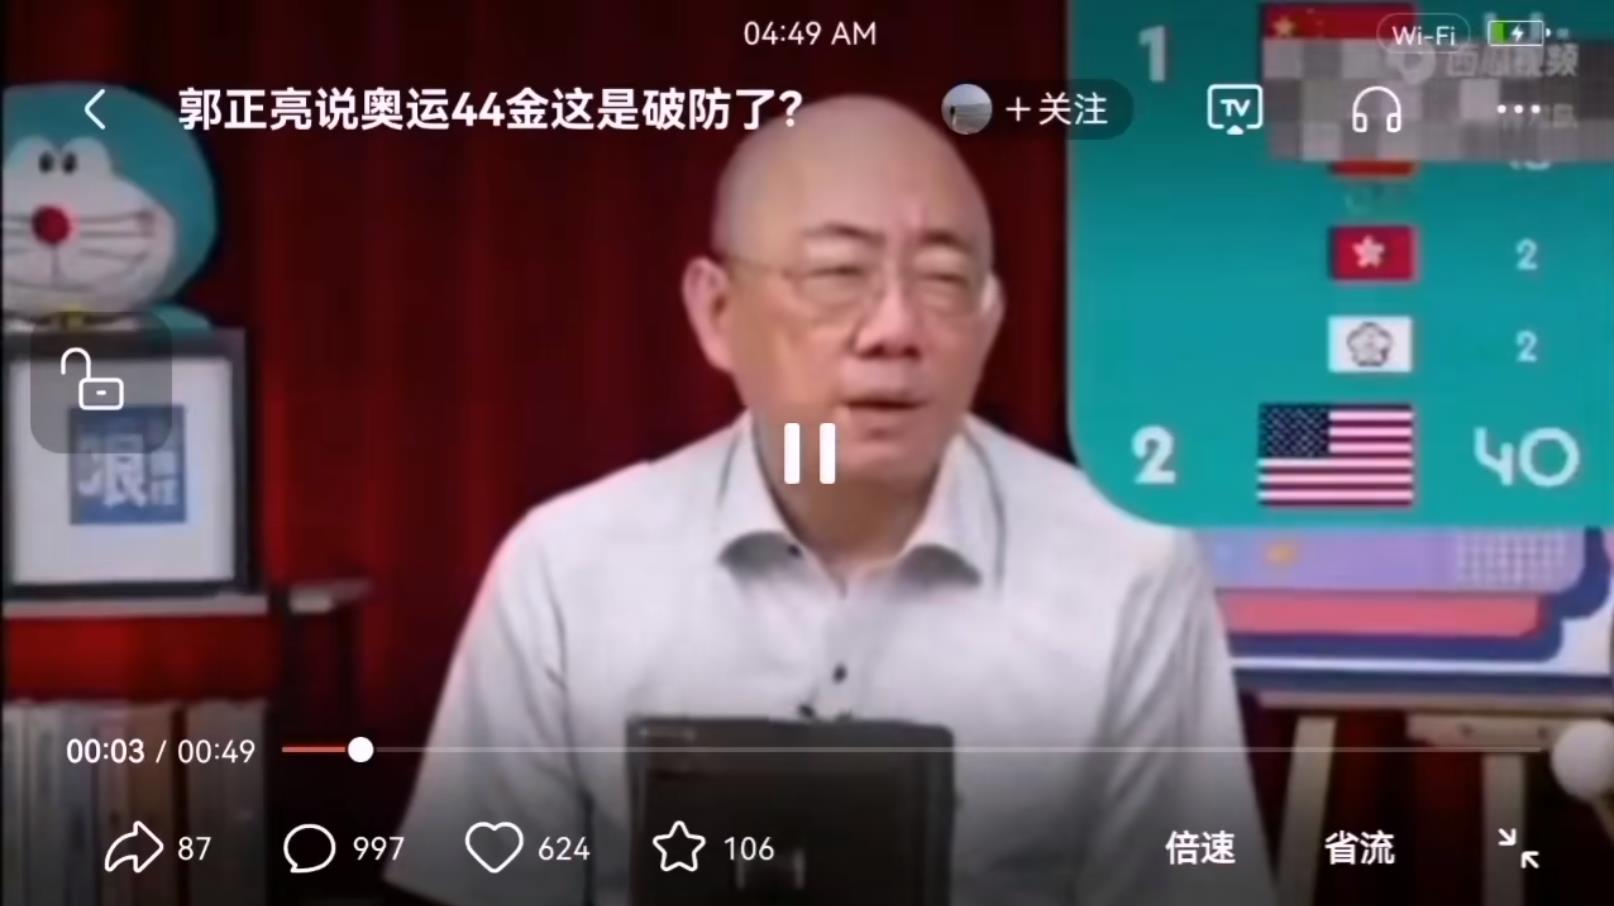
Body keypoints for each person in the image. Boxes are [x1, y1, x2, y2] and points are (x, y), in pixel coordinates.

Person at [386, 95, 1276, 906]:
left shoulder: (1126, 569)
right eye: (838, 274)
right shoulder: (568, 569)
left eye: (942, 279)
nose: (895, 331)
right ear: (717, 313)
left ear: (990, 320)